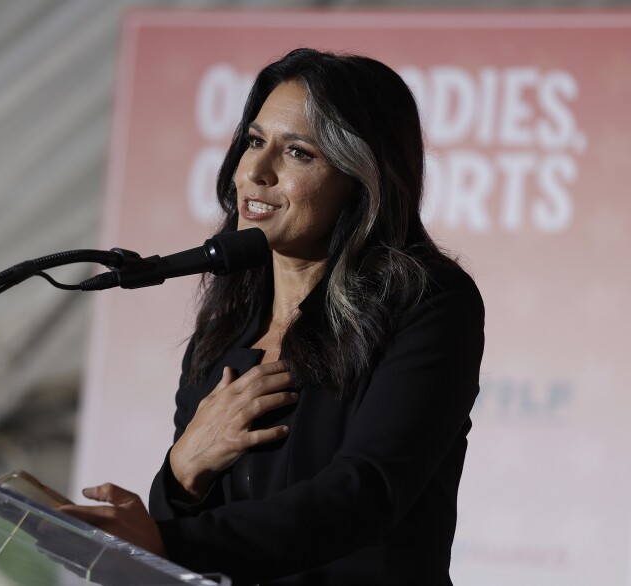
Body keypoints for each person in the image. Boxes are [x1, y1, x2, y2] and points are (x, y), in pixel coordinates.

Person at [61, 48, 485, 585]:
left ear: (361, 178)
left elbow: (368, 490)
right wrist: (181, 472)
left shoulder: (429, 302)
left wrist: (170, 539)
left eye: (299, 153)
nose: (256, 172)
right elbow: (178, 536)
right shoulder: (226, 329)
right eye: (255, 142)